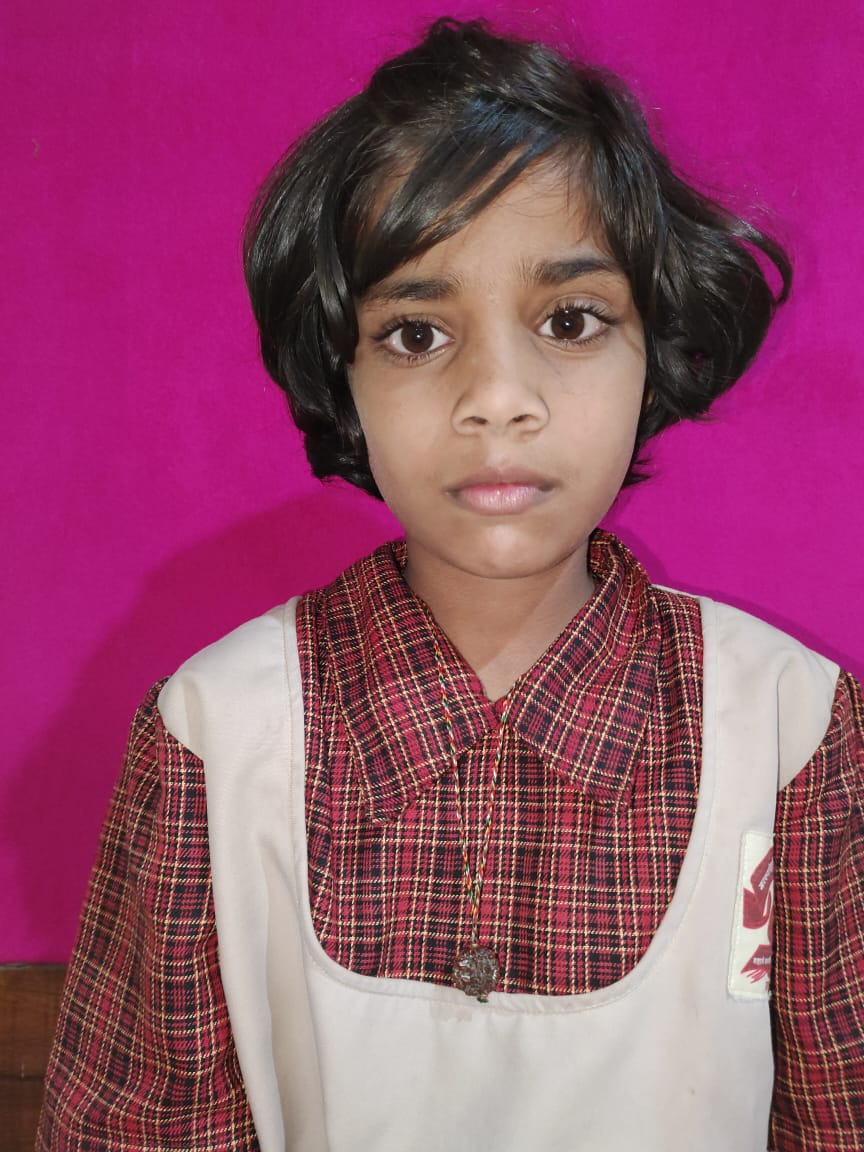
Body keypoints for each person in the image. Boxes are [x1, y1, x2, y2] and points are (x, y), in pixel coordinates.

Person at [38, 17, 863, 1152]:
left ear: (654, 348)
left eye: (570, 321)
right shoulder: (213, 738)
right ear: (343, 373)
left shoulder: (789, 728)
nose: (497, 397)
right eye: (418, 334)